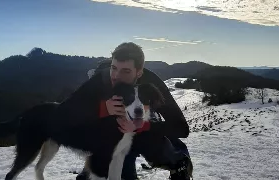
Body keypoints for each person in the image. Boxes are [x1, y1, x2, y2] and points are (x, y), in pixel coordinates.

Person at [52, 42, 193, 180]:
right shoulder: (101, 80)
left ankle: (179, 163)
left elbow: (181, 128)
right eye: (114, 68)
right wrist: (103, 109)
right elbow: (62, 114)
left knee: (149, 140)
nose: (116, 76)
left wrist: (142, 126)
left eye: (125, 71)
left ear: (139, 72)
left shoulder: (151, 84)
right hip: (110, 135)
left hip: (144, 132)